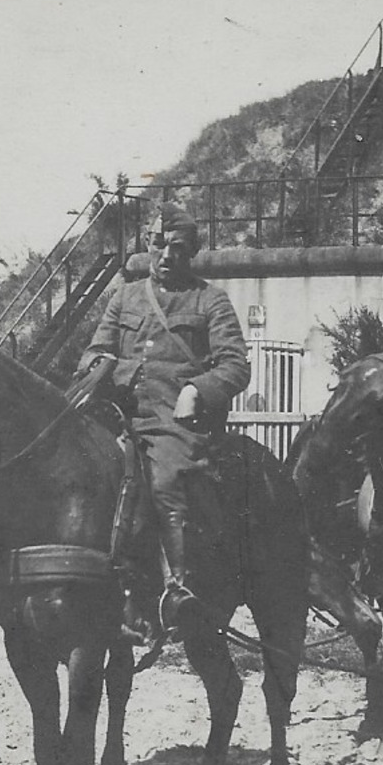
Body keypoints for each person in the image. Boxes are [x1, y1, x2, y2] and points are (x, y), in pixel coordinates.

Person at [79, 202, 250, 626]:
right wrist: (99, 369)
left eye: (177, 247)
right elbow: (95, 352)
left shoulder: (211, 300)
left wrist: (198, 389)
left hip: (175, 420)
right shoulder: (125, 295)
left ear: (190, 252)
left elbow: (235, 365)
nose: (166, 255)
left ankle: (178, 585)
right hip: (118, 413)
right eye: (158, 244)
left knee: (168, 477)